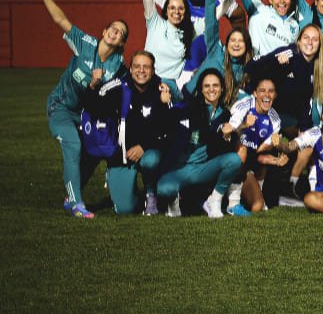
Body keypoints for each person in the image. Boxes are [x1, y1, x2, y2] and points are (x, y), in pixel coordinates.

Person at [38, 0, 130, 218]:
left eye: (121, 32)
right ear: (104, 32)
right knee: (73, 146)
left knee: (92, 151)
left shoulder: (118, 67)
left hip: (86, 115)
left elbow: (129, 90)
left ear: (121, 43)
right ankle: (76, 203)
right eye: (113, 28)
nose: (115, 31)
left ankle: (72, 195)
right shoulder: (84, 42)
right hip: (62, 109)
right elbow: (60, 19)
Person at [81, 51, 176, 215]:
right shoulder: (118, 87)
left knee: (150, 161)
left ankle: (151, 194)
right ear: (130, 69)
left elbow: (168, 128)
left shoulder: (161, 90)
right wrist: (92, 85)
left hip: (148, 151)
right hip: (122, 156)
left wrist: (143, 146)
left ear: (153, 70)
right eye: (137, 66)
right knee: (126, 209)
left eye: (146, 67)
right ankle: (125, 187)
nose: (141, 71)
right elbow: (92, 105)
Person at [156, 69, 244, 218]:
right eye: (207, 86)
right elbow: (173, 117)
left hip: (203, 168)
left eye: (215, 85)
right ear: (201, 89)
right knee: (165, 189)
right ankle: (173, 201)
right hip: (179, 167)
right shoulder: (190, 107)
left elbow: (221, 147)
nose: (211, 89)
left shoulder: (225, 113)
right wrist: (165, 104)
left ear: (222, 88)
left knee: (234, 160)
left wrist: (229, 136)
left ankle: (214, 201)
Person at [137, 0, 195, 95]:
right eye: (172, 8)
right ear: (166, 10)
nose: (176, 12)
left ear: (185, 11)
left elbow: (213, 19)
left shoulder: (190, 31)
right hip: (147, 80)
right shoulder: (155, 22)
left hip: (170, 87)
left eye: (180, 8)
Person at [221, 77, 285, 215]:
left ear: (275, 95)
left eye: (271, 91)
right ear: (255, 93)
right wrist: (244, 125)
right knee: (241, 150)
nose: (267, 95)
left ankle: (257, 193)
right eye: (262, 91)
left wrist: (276, 157)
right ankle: (232, 203)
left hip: (247, 165)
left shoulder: (275, 120)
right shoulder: (243, 106)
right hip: (228, 159)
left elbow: (259, 153)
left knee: (257, 207)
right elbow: (227, 134)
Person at [187, 0, 252, 107]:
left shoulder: (245, 69)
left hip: (217, 113)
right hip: (189, 101)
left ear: (247, 46)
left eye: (240, 41)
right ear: (226, 43)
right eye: (233, 40)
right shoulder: (216, 51)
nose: (236, 44)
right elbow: (211, 23)